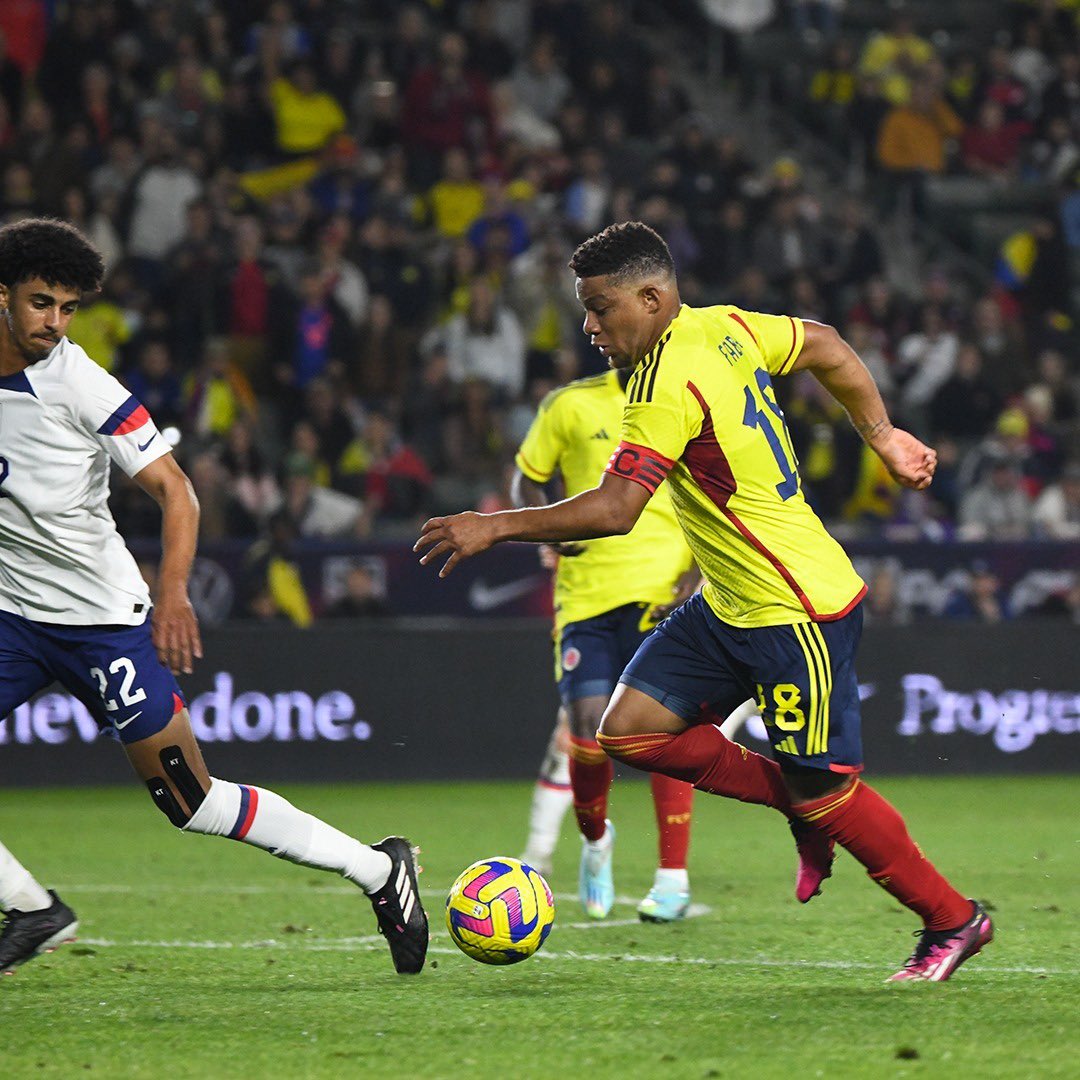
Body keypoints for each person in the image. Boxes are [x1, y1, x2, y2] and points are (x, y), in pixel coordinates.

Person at [416, 221, 992, 983]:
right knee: (629, 732)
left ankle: (953, 920)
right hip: (729, 603)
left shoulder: (661, 383)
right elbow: (822, 342)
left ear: (652, 298)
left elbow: (617, 508)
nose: (589, 326)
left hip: (796, 609)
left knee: (826, 795)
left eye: (600, 307)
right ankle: (797, 797)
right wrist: (880, 434)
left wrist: (494, 525)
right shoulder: (724, 328)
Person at [0, 219, 427, 977]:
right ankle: (33, 910)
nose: (55, 324)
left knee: (190, 803)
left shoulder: (76, 382)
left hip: (103, 624)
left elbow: (177, 491)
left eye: (68, 308)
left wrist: (172, 594)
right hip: (14, 619)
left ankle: (380, 871)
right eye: (41, 304)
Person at [511, 365, 757, 921]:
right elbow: (526, 477)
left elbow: (717, 494)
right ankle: (596, 840)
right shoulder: (568, 405)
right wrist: (546, 527)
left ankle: (672, 880)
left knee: (666, 733)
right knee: (587, 736)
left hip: (663, 599)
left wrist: (699, 571)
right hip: (586, 600)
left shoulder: (685, 396)